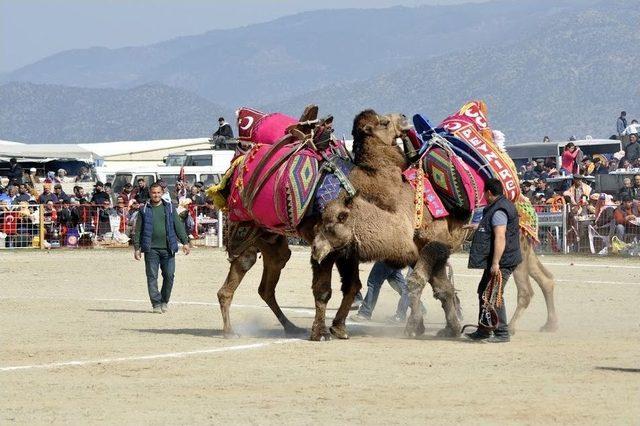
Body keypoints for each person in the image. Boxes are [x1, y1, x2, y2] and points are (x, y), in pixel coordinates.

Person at [466, 179, 522, 343]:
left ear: (489, 192)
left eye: (485, 193)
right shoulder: (497, 206)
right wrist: (477, 227)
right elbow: (492, 227)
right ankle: (484, 329)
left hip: (503, 260)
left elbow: (500, 236)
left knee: (493, 294)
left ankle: (502, 333)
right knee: (483, 291)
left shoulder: (499, 210)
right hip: (497, 259)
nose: (484, 196)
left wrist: (496, 263)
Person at [134, 183, 191, 313]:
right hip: (151, 249)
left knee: (169, 276)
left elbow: (178, 226)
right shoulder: (144, 209)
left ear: (162, 193)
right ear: (150, 193)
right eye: (154, 193)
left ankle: (164, 300)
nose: (156, 195)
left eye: (158, 192)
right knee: (152, 277)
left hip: (168, 249)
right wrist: (137, 247)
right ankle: (156, 303)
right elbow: (138, 230)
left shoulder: (169, 208)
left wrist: (185, 242)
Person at [349, 262, 417, 323]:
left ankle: (365, 313)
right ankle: (418, 307)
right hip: (398, 255)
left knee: (374, 282)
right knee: (395, 280)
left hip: (389, 253)